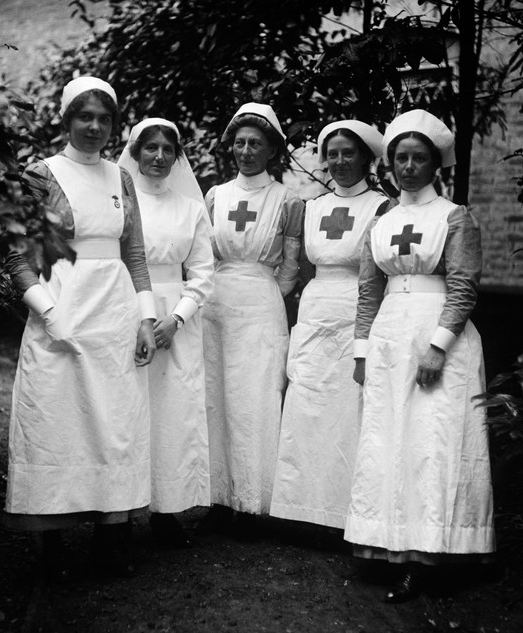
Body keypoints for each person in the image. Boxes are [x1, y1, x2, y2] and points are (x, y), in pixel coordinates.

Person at [5, 77, 157, 579]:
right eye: (84, 117)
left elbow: (133, 253)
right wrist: (48, 313)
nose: (94, 127)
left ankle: (110, 537)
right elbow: (17, 254)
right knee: (56, 421)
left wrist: (146, 318)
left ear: (114, 126)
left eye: (105, 119)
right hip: (60, 308)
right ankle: (50, 545)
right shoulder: (41, 173)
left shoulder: (122, 178)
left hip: (113, 313)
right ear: (67, 119)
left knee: (114, 425)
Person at [345, 109, 495, 602]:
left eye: (418, 158)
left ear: (436, 165)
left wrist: (438, 347)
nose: (408, 167)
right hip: (389, 332)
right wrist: (362, 350)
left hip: (436, 338)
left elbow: (463, 286)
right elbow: (369, 290)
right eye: (400, 158)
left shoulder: (453, 217)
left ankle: (431, 557)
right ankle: (390, 544)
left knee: (434, 444)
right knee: (390, 440)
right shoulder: (382, 218)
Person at [270, 121, 390, 534]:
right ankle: (300, 511)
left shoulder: (381, 207)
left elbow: (382, 273)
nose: (339, 161)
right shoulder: (313, 207)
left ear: (366, 157)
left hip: (358, 310)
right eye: (332, 154)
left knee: (348, 410)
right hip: (316, 308)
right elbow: (302, 268)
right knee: (308, 403)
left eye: (348, 153)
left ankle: (344, 516)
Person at [202, 103, 303, 536]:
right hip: (215, 305)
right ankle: (218, 498)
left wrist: (263, 294)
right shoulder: (215, 195)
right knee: (216, 397)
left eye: (255, 144)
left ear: (272, 149)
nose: (246, 151)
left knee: (255, 398)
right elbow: (203, 256)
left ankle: (252, 502)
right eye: (240, 143)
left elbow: (292, 266)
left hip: (260, 306)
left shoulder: (287, 199)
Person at [118, 118, 214, 547]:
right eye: (150, 148)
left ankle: (167, 509)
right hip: (125, 307)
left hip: (176, 316)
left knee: (172, 413)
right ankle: (119, 509)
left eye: (167, 150)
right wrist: (140, 317)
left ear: (178, 157)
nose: (158, 157)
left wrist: (176, 319)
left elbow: (204, 274)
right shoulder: (119, 202)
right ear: (135, 152)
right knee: (126, 411)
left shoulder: (191, 208)